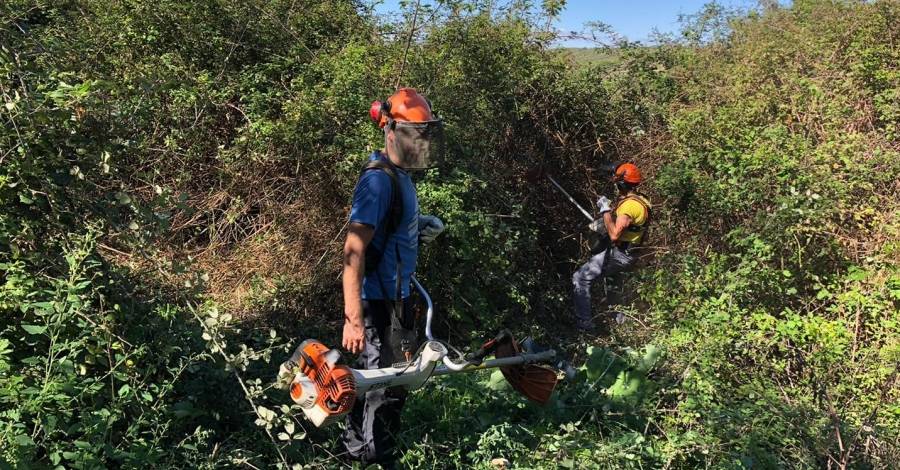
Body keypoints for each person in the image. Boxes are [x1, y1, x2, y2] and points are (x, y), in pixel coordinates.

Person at [340, 88, 446, 465]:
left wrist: (418, 227)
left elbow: (390, 230)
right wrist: (354, 320)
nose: (420, 145)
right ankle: (367, 457)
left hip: (398, 297)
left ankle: (368, 451)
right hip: (378, 302)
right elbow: (354, 251)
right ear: (390, 130)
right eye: (413, 136)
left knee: (390, 384)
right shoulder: (379, 181)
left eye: (425, 136)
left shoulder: (400, 176)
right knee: (380, 386)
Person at [572, 163, 651, 331]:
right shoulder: (641, 200)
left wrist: (605, 211)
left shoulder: (629, 206)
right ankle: (623, 326)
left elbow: (615, 234)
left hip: (620, 254)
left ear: (621, 184)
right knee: (613, 286)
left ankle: (585, 324)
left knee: (580, 278)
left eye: (616, 181)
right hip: (630, 252)